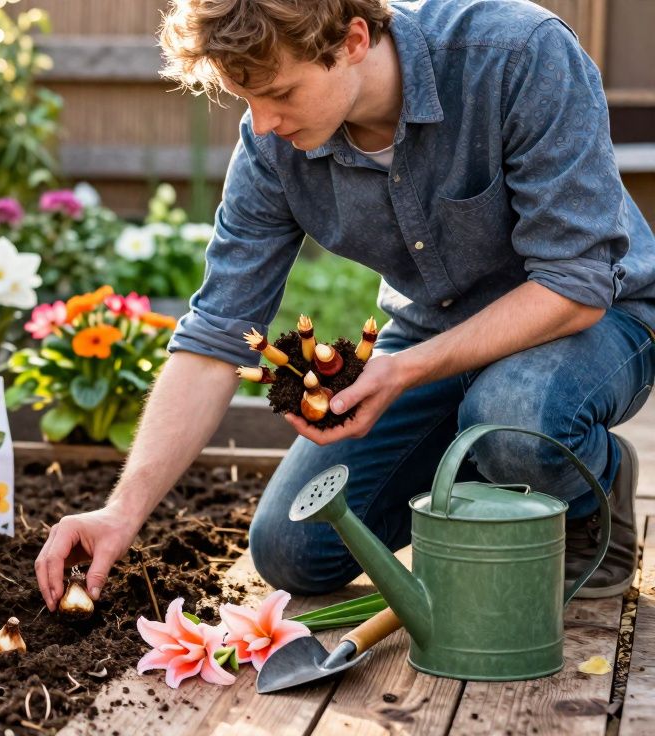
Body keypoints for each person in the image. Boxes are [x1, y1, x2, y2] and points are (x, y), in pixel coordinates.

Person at [35, 0, 655, 612]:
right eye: (244, 99)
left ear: (353, 40)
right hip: (431, 331)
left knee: (514, 413)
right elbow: (217, 335)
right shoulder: (270, 144)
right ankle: (495, 463)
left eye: (279, 92)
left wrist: (405, 371)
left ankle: (590, 485)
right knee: (294, 548)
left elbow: (575, 286)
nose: (263, 124)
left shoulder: (517, 53)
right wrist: (122, 512)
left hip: (598, 320)